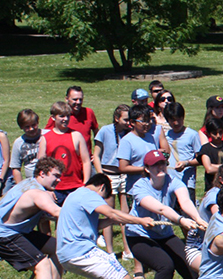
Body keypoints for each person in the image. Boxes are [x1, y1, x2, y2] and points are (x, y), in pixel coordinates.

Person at [56, 173, 156, 279]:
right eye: (104, 196)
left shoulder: (75, 196)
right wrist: (139, 220)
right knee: (123, 278)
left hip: (66, 254)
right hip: (80, 251)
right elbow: (111, 212)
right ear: (102, 187)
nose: (102, 200)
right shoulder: (88, 195)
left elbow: (95, 225)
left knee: (115, 277)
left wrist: (113, 221)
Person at [126, 150, 211, 279]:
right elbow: (161, 208)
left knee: (190, 266)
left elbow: (185, 201)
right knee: (165, 265)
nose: (161, 167)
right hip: (139, 235)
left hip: (163, 234)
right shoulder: (140, 187)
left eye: (163, 163)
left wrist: (197, 217)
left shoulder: (172, 180)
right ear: (147, 169)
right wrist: (181, 221)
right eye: (155, 165)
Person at [0, 157, 73, 279]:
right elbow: (56, 212)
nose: (59, 179)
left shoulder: (30, 184)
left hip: (19, 231)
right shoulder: (37, 193)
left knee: (57, 248)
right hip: (5, 235)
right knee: (42, 264)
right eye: (55, 175)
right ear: (42, 173)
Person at [93, 104, 133, 256]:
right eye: (125, 119)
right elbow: (96, 154)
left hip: (125, 174)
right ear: (117, 119)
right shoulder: (105, 131)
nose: (129, 122)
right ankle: (110, 251)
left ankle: (127, 249)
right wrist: (100, 174)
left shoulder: (129, 133)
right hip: (109, 174)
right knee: (108, 214)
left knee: (125, 213)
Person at [42, 101, 90, 206]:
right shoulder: (45, 138)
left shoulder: (76, 136)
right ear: (53, 117)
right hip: (55, 188)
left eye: (68, 116)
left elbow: (86, 161)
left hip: (75, 186)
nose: (66, 119)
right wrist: (46, 188)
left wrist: (85, 183)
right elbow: (41, 166)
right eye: (62, 116)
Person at [116, 104, 161, 195]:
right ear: (132, 122)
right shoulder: (127, 141)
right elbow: (123, 167)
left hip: (152, 188)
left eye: (148, 120)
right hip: (135, 190)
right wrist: (144, 169)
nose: (147, 124)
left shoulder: (150, 137)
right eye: (143, 121)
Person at [160, 101, 201, 202]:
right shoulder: (165, 136)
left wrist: (186, 163)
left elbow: (201, 159)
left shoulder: (192, 135)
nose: (176, 123)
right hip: (168, 182)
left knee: (187, 214)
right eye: (172, 120)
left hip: (187, 183)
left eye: (179, 119)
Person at [44, 86, 99, 154]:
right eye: (75, 99)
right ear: (67, 99)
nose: (78, 102)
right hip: (67, 157)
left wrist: (97, 153)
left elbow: (96, 132)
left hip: (86, 157)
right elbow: (47, 135)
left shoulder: (88, 112)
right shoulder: (60, 116)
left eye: (80, 99)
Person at [11, 109, 45, 184]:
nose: (31, 129)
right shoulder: (19, 143)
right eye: (27, 127)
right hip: (31, 181)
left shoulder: (47, 135)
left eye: (34, 125)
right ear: (21, 127)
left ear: (37, 122)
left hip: (49, 178)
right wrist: (21, 187)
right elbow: (16, 168)